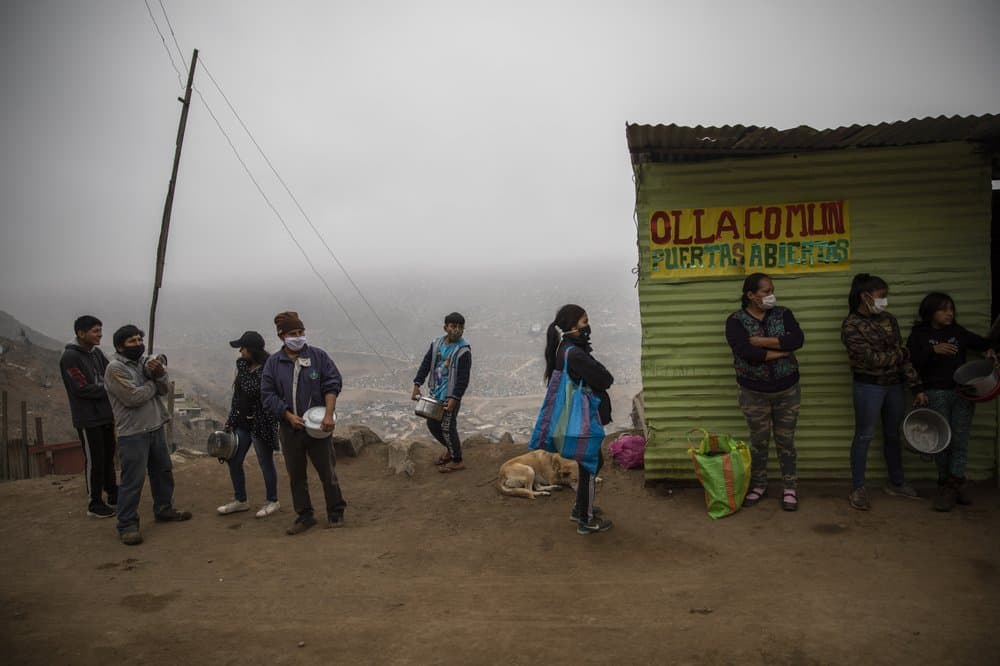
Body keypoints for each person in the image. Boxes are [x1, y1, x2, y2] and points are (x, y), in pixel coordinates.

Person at [841, 274, 927, 511]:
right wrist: (901, 355)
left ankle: (896, 482)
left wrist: (916, 386)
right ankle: (858, 488)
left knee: (893, 435)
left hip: (894, 386)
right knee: (864, 436)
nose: (884, 301)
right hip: (868, 387)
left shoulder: (889, 319)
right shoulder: (851, 325)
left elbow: (901, 358)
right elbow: (870, 360)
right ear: (865, 296)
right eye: (881, 296)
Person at [907, 292, 997, 511]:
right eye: (943, 309)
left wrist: (990, 349)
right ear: (930, 312)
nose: (949, 313)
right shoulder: (919, 335)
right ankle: (949, 484)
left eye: (951, 309)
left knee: (959, 440)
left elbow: (982, 343)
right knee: (941, 442)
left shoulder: (958, 332)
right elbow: (909, 363)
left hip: (962, 393)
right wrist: (932, 351)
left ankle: (953, 483)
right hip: (935, 393)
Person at [104, 324, 192, 545]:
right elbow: (133, 398)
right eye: (131, 341)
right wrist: (153, 382)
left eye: (139, 340)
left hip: (155, 426)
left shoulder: (144, 363)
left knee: (162, 472)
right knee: (132, 480)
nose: (138, 344)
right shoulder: (115, 369)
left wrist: (160, 374)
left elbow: (164, 389)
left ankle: (164, 509)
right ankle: (127, 524)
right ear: (119, 346)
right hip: (133, 432)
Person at [260, 311, 347, 535]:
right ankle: (304, 515)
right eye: (292, 333)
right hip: (290, 430)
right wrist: (287, 415)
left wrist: (329, 414)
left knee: (327, 471)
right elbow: (267, 394)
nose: (298, 337)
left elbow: (332, 384)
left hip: (319, 427)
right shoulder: (273, 363)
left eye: (300, 332)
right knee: (296, 474)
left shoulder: (319, 357)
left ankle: (336, 511)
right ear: (282, 337)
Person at [725, 273, 804, 511]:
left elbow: (797, 340)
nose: (771, 295)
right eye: (765, 291)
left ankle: (789, 487)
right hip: (753, 392)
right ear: (750, 295)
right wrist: (780, 350)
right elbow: (746, 352)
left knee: (785, 440)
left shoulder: (783, 314)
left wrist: (762, 341)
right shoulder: (736, 321)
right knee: (758, 442)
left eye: (772, 290)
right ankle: (759, 485)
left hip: (787, 389)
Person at [542, 304, 614, 535]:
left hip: (575, 415)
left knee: (590, 463)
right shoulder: (574, 353)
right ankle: (587, 519)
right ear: (572, 326)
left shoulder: (564, 348)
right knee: (591, 465)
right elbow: (604, 378)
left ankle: (580, 508)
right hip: (583, 417)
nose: (587, 326)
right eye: (584, 322)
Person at [59, 315, 118, 519]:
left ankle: (112, 494)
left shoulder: (96, 353)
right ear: (81, 333)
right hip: (88, 418)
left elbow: (110, 375)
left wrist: (111, 386)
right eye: (95, 331)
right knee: (95, 460)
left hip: (105, 415)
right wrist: (109, 389)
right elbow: (81, 388)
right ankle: (94, 502)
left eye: (100, 330)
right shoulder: (70, 357)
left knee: (108, 457)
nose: (100, 334)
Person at [218, 331, 281, 518]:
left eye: (243, 348)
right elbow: (238, 397)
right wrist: (231, 420)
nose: (240, 352)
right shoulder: (244, 367)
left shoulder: (268, 368)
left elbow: (258, 391)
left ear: (252, 349)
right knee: (234, 459)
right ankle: (241, 500)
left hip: (262, 423)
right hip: (243, 423)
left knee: (265, 462)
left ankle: (272, 500)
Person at [410, 312, 472, 473]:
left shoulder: (463, 350)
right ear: (445, 327)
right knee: (432, 423)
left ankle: (457, 460)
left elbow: (463, 379)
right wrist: (417, 383)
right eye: (453, 326)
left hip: (450, 396)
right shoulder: (437, 343)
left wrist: (455, 398)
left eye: (460, 327)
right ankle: (451, 451)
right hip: (436, 392)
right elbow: (426, 363)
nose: (457, 330)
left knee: (447, 426)